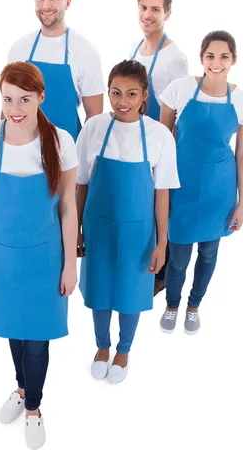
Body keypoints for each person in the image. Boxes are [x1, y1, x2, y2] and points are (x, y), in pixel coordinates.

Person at [0, 62, 77, 450]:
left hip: (46, 259)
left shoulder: (61, 140)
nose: (15, 107)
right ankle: (20, 386)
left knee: (38, 336)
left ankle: (33, 408)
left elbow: (67, 206)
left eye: (24, 99)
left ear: (40, 98)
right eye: (8, 98)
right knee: (13, 328)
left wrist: (70, 264)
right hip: (0, 257)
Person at [76, 60, 179, 383]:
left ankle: (123, 349)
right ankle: (102, 346)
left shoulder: (159, 135)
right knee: (100, 288)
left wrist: (162, 243)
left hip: (138, 231)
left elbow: (162, 194)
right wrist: (77, 229)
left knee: (132, 291)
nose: (122, 101)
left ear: (145, 94)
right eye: (116, 93)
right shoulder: (93, 128)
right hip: (98, 227)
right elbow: (81, 183)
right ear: (107, 92)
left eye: (131, 94)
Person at [159, 30, 243, 335]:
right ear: (201, 58)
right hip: (181, 185)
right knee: (178, 258)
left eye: (224, 56)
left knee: (209, 253)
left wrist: (242, 203)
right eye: (210, 56)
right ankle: (172, 304)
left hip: (219, 190)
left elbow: (242, 154)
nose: (216, 62)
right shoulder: (181, 89)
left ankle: (194, 306)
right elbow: (163, 140)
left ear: (234, 60)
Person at [130, 0, 188, 297]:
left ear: (167, 13)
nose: (148, 15)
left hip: (161, 146)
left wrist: (166, 156)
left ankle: (162, 275)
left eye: (155, 9)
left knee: (161, 210)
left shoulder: (174, 58)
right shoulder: (136, 48)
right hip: (138, 141)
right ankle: (146, 265)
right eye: (143, 7)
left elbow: (179, 112)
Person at [8, 0, 105, 140]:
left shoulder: (85, 51)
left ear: (67, 3)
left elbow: (94, 117)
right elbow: (9, 105)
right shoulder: (19, 49)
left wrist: (82, 159)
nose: (46, 5)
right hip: (23, 148)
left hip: (66, 152)